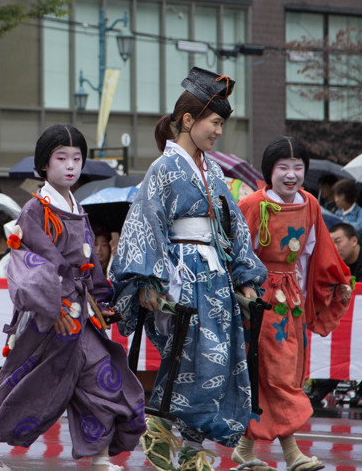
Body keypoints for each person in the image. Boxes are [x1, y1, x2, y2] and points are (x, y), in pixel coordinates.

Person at [110, 67, 266, 471]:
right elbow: (145, 222)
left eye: (220, 125)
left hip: (214, 275)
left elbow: (233, 227)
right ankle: (163, 424)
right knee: (191, 356)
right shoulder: (163, 169)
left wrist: (245, 279)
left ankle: (192, 444)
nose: (217, 132)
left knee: (219, 357)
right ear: (188, 121)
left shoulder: (213, 171)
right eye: (214, 123)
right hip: (179, 275)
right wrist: (148, 281)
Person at [0, 124, 145, 471]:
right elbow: (36, 261)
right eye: (61, 158)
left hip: (81, 319)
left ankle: (99, 457)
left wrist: (102, 298)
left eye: (77, 158)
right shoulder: (36, 210)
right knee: (29, 389)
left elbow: (90, 263)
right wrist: (59, 302)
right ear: (44, 165)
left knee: (103, 380)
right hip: (49, 320)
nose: (70, 165)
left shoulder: (77, 208)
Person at [237, 136, 352, 471]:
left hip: (293, 302)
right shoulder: (253, 205)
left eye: (298, 167)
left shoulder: (311, 205)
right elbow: (240, 256)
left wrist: (337, 283)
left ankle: (245, 450)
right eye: (283, 167)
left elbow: (319, 253)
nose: (291, 174)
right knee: (275, 374)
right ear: (269, 171)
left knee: (284, 371)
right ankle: (291, 453)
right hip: (260, 300)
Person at [306, 223, 362, 409]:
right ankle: (321, 386)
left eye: (338, 241)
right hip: (344, 322)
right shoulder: (333, 263)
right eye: (331, 243)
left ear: (354, 240)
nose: (335, 247)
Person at [328, 179, 362, 250]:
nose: (336, 200)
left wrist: (341, 224)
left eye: (337, 196)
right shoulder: (338, 213)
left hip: (361, 251)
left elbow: (360, 228)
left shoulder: (361, 212)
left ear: (344, 196)